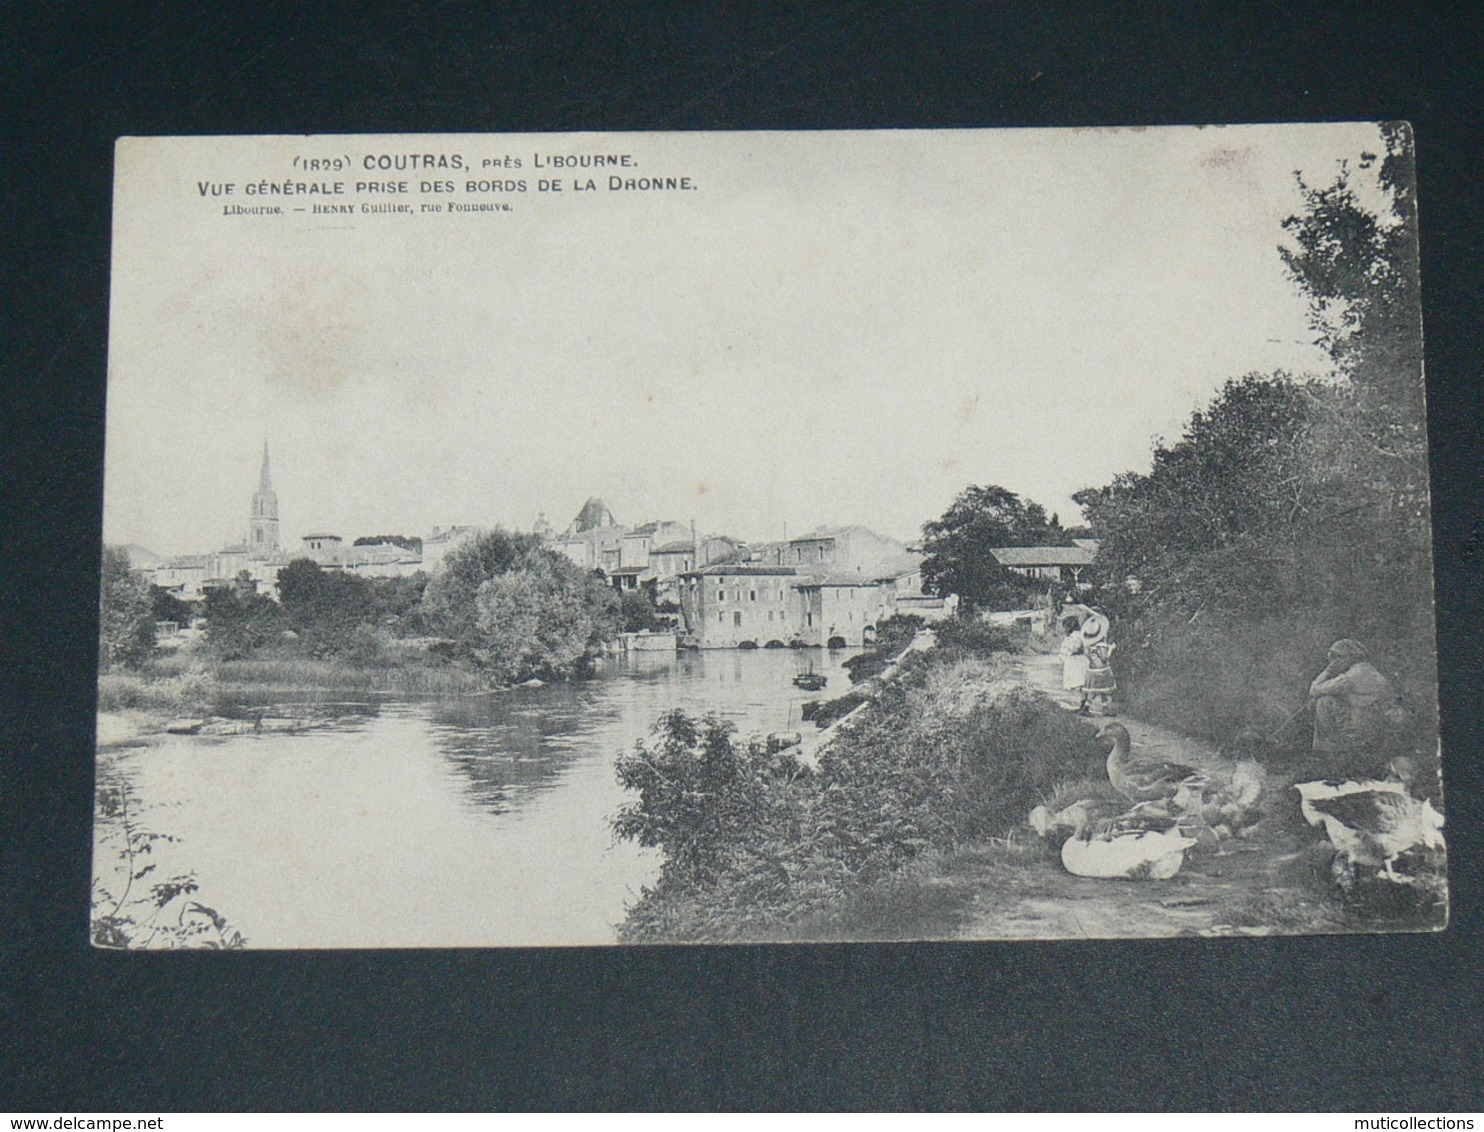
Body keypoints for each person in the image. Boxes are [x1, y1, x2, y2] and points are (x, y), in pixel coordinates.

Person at [1307, 638, 1403, 779]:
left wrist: (1328, 671)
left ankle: (1326, 752)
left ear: (1347, 657)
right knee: (1326, 699)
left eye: (1336, 658)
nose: (1334, 663)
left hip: (1361, 727)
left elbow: (1314, 689)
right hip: (1379, 724)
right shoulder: (1368, 670)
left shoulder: (1349, 677)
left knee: (1323, 701)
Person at [1059, 617, 1088, 700]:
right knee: (1079, 683)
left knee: (1080, 681)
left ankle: (1084, 703)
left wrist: (1068, 651)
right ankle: (1082, 703)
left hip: (1078, 660)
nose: (1064, 629)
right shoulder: (1073, 635)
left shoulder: (1077, 635)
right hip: (1075, 660)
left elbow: (1075, 647)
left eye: (1065, 627)